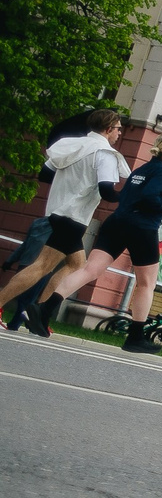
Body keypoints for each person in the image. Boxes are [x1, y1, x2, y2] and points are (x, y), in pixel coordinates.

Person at [0, 109, 128, 336]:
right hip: (74, 216)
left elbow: (44, 175)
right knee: (42, 266)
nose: (119, 133)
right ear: (108, 129)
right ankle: (24, 308)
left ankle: (38, 311)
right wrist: (131, 197)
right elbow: (107, 191)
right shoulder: (105, 154)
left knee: (77, 264)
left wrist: (70, 182)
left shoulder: (71, 144)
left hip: (58, 210)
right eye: (118, 129)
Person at [60, 129, 162, 350]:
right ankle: (135, 338)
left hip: (116, 222)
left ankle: (45, 307)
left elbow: (126, 195)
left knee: (89, 269)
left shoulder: (141, 170)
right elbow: (149, 196)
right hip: (142, 228)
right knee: (146, 284)